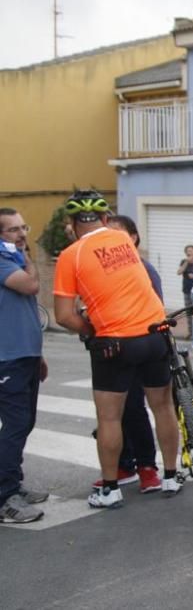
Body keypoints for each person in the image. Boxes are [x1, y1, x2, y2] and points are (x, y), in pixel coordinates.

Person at [52, 190, 181, 509]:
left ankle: (110, 489)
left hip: (115, 342)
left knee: (110, 417)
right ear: (106, 219)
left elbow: (64, 316)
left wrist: (91, 330)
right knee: (162, 407)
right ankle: (170, 475)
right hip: (155, 333)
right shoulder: (124, 242)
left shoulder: (71, 255)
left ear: (70, 224)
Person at [95, 214, 162, 493]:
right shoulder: (102, 269)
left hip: (142, 345)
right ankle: (124, 465)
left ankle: (147, 467)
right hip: (114, 347)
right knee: (116, 412)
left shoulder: (142, 268)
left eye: (117, 233)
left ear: (132, 237)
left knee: (136, 409)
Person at [0, 208, 49, 523]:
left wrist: (38, 355)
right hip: (7, 359)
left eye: (23, 227)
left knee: (24, 423)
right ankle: (5, 498)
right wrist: (28, 258)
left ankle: (12, 484)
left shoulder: (14, 259)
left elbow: (27, 309)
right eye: (12, 230)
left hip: (25, 356)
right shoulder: (5, 261)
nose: (21, 234)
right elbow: (31, 287)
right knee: (16, 425)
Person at [177, 245, 193, 339]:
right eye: (187, 251)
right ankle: (191, 332)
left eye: (191, 251)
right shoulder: (183, 261)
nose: (189, 252)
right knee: (189, 312)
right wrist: (186, 262)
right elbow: (179, 272)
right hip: (187, 290)